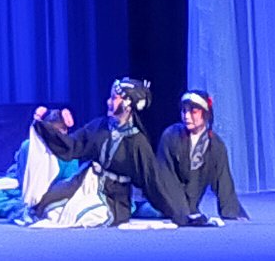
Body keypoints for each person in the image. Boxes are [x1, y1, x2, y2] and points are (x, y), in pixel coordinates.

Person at [21, 77, 200, 228]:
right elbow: (72, 145)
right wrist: (43, 127)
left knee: (82, 215)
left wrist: (180, 215)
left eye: (114, 98)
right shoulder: (99, 126)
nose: (108, 102)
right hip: (85, 183)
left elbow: (152, 182)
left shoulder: (136, 142)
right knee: (45, 206)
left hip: (114, 198)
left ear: (128, 104)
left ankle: (143, 209)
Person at [158, 89, 248, 223]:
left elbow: (223, 180)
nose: (187, 116)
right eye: (184, 111)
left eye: (193, 112)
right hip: (166, 198)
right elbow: (166, 176)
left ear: (205, 114)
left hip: (190, 204)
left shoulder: (215, 145)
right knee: (152, 210)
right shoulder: (171, 136)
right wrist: (181, 210)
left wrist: (231, 211)